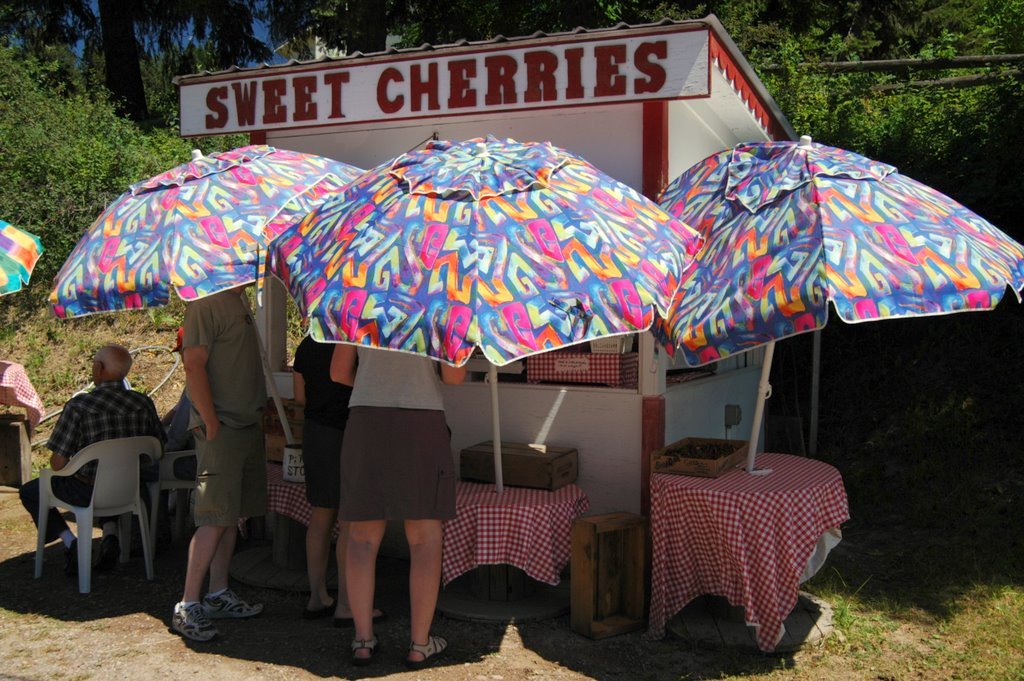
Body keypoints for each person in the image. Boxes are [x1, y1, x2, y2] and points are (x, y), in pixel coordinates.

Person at [330, 345, 466, 669]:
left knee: (361, 538)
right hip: (422, 420)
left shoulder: (358, 296)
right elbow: (454, 376)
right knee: (425, 540)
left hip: (366, 418)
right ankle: (420, 644)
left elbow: (337, 372)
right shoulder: (442, 300)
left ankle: (362, 639)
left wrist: (373, 383)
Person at [171, 287, 268, 642]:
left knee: (230, 515)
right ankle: (188, 603)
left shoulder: (236, 299)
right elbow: (193, 363)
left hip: (244, 424)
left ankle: (217, 592)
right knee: (214, 517)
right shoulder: (204, 303)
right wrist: (210, 420)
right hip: (222, 427)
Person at [19, 344, 165, 576]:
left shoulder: (79, 406)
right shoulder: (143, 403)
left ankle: (70, 542)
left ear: (98, 368)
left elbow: (57, 463)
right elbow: (158, 447)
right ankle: (110, 534)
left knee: (30, 491)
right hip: (130, 489)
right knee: (109, 475)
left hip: (84, 491)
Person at [291, 335, 384, 624]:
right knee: (350, 521)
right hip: (346, 432)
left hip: (315, 432)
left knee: (320, 518)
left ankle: (317, 596)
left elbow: (299, 397)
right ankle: (347, 603)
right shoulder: (354, 342)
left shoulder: (306, 345)